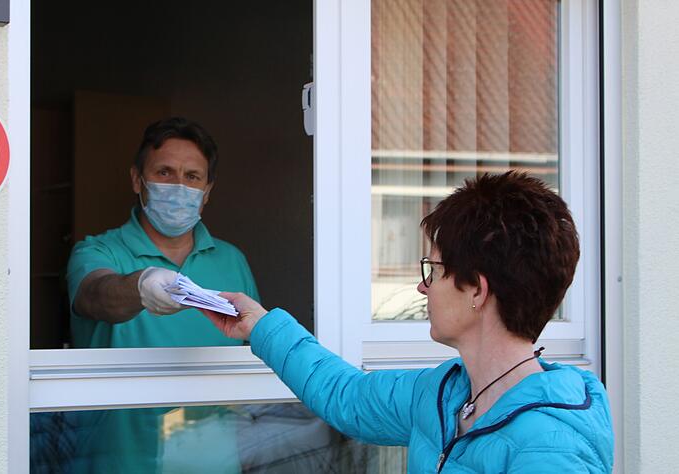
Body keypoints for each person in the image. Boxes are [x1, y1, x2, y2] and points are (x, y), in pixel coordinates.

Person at [200, 172, 614, 473]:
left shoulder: (556, 448)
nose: (422, 286)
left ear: (476, 290)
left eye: (433, 270)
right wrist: (259, 325)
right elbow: (347, 396)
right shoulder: (444, 393)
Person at [61, 117, 259, 473]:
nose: (179, 186)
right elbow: (97, 294)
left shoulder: (232, 261)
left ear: (207, 191)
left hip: (215, 462)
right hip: (120, 463)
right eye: (164, 172)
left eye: (192, 177)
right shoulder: (98, 252)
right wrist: (140, 285)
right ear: (137, 180)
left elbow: (255, 354)